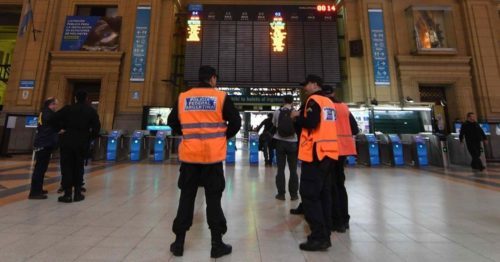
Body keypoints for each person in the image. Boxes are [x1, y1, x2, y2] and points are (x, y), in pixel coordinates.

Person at [168, 65, 241, 258]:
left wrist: (187, 134)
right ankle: (217, 244)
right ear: (213, 79)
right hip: (212, 158)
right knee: (213, 200)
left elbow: (172, 121)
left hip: (190, 158)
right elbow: (236, 122)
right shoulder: (220, 97)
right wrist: (223, 137)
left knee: (186, 198)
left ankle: (179, 243)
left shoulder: (184, 97)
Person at [290, 75, 339, 251]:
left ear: (314, 84)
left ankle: (318, 237)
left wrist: (296, 116)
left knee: (309, 194)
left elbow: (311, 122)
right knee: (324, 195)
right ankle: (325, 233)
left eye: (306, 85)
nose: (305, 88)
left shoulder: (313, 101)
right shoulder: (329, 102)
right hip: (329, 153)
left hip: (316, 154)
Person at [50, 90, 101, 203]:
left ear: (75, 98)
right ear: (86, 98)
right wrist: (89, 137)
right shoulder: (91, 111)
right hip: (82, 142)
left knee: (67, 166)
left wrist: (60, 129)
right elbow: (97, 128)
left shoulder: (68, 109)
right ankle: (78, 193)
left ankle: (67, 194)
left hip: (67, 141)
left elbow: (53, 119)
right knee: (79, 166)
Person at [323, 85, 359, 232]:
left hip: (329, 149)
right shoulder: (344, 107)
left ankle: (335, 220)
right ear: (334, 93)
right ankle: (344, 219)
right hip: (343, 150)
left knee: (330, 185)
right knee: (340, 184)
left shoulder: (326, 108)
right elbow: (355, 129)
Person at [28, 98, 61, 199]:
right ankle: (34, 192)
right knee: (40, 168)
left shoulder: (44, 112)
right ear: (51, 104)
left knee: (41, 168)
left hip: (43, 142)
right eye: (55, 104)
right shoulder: (48, 113)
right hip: (44, 143)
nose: (56, 107)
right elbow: (54, 126)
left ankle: (38, 189)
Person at [272, 95, 299, 201]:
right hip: (292, 142)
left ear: (283, 101)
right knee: (293, 170)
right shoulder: (296, 112)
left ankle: (281, 194)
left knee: (280, 169)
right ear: (292, 101)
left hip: (280, 142)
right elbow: (298, 126)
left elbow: (274, 125)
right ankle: (294, 195)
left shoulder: (277, 112)